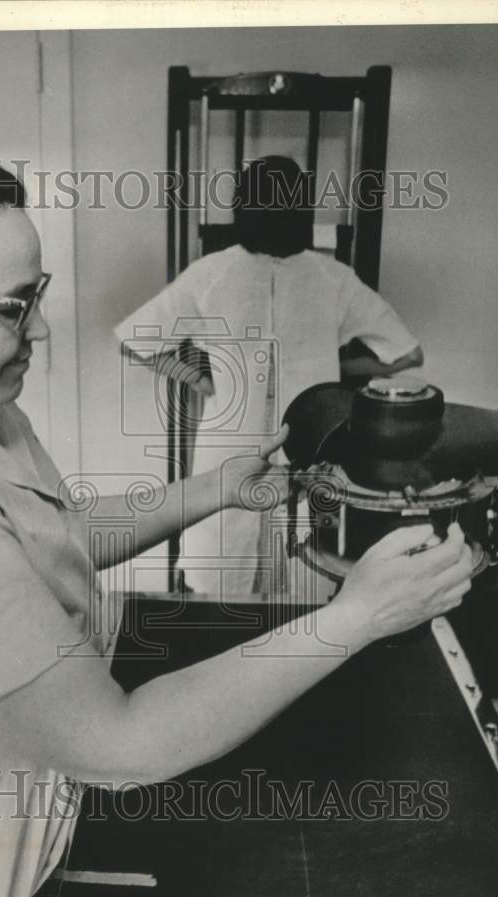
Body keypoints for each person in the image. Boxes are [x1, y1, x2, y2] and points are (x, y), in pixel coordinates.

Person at [0, 149, 472, 897]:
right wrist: (351, 617)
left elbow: (49, 540)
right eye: (12, 308)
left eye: (36, 296)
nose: (38, 330)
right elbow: (116, 741)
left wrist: (214, 489)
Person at [114, 156, 423, 595]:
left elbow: (134, 342)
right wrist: (337, 370)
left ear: (242, 207)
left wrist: (196, 379)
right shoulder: (331, 277)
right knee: (290, 568)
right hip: (297, 440)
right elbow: (406, 354)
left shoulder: (212, 273)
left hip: (264, 445)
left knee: (252, 571)